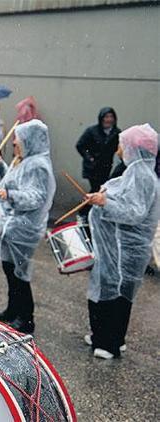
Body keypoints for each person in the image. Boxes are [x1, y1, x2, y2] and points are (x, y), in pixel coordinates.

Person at [83, 124, 160, 359]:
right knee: (114, 293)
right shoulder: (134, 172)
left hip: (127, 249)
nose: (119, 149)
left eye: (122, 144)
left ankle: (110, 344)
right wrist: (103, 197)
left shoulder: (142, 175)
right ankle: (106, 337)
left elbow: (135, 213)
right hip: (118, 247)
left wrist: (105, 203)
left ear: (134, 148)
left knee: (118, 295)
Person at [0, 120, 56, 334]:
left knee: (20, 274)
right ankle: (13, 310)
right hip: (14, 225)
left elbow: (36, 197)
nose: (15, 142)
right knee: (10, 269)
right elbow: (13, 182)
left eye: (19, 138)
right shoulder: (26, 161)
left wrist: (11, 196)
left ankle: (26, 318)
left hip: (25, 228)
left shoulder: (38, 165)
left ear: (31, 140)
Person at [76, 107, 120, 218]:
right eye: (106, 117)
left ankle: (88, 211)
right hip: (92, 167)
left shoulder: (116, 132)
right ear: (101, 118)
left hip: (105, 167)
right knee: (96, 189)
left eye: (111, 117)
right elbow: (80, 145)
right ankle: (83, 212)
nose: (108, 119)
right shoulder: (92, 131)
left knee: (99, 190)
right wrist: (89, 157)